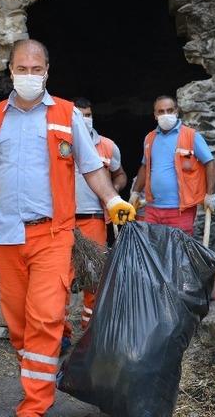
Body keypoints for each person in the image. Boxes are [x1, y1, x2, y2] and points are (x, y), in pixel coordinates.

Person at [0, 39, 136, 417]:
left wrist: (112, 200)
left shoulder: (67, 115)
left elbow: (91, 167)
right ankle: (41, 372)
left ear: (47, 72)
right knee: (18, 324)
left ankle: (34, 404)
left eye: (37, 70)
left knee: (47, 316)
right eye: (22, 69)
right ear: (11, 71)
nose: (30, 76)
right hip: (5, 236)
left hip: (52, 235)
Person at [71, 97, 126, 331]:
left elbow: (120, 174)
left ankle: (90, 331)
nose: (85, 120)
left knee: (94, 276)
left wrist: (113, 195)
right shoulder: (59, 143)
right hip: (62, 220)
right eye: (79, 115)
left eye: (88, 115)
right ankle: (59, 334)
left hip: (93, 218)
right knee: (59, 278)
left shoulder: (107, 146)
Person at [129, 94, 215, 236]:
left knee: (178, 253)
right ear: (155, 115)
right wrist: (135, 192)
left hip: (181, 210)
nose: (166, 115)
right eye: (161, 111)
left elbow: (210, 163)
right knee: (154, 253)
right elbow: (145, 167)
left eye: (169, 110)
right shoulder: (150, 138)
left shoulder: (191, 136)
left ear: (176, 111)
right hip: (152, 208)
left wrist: (210, 194)